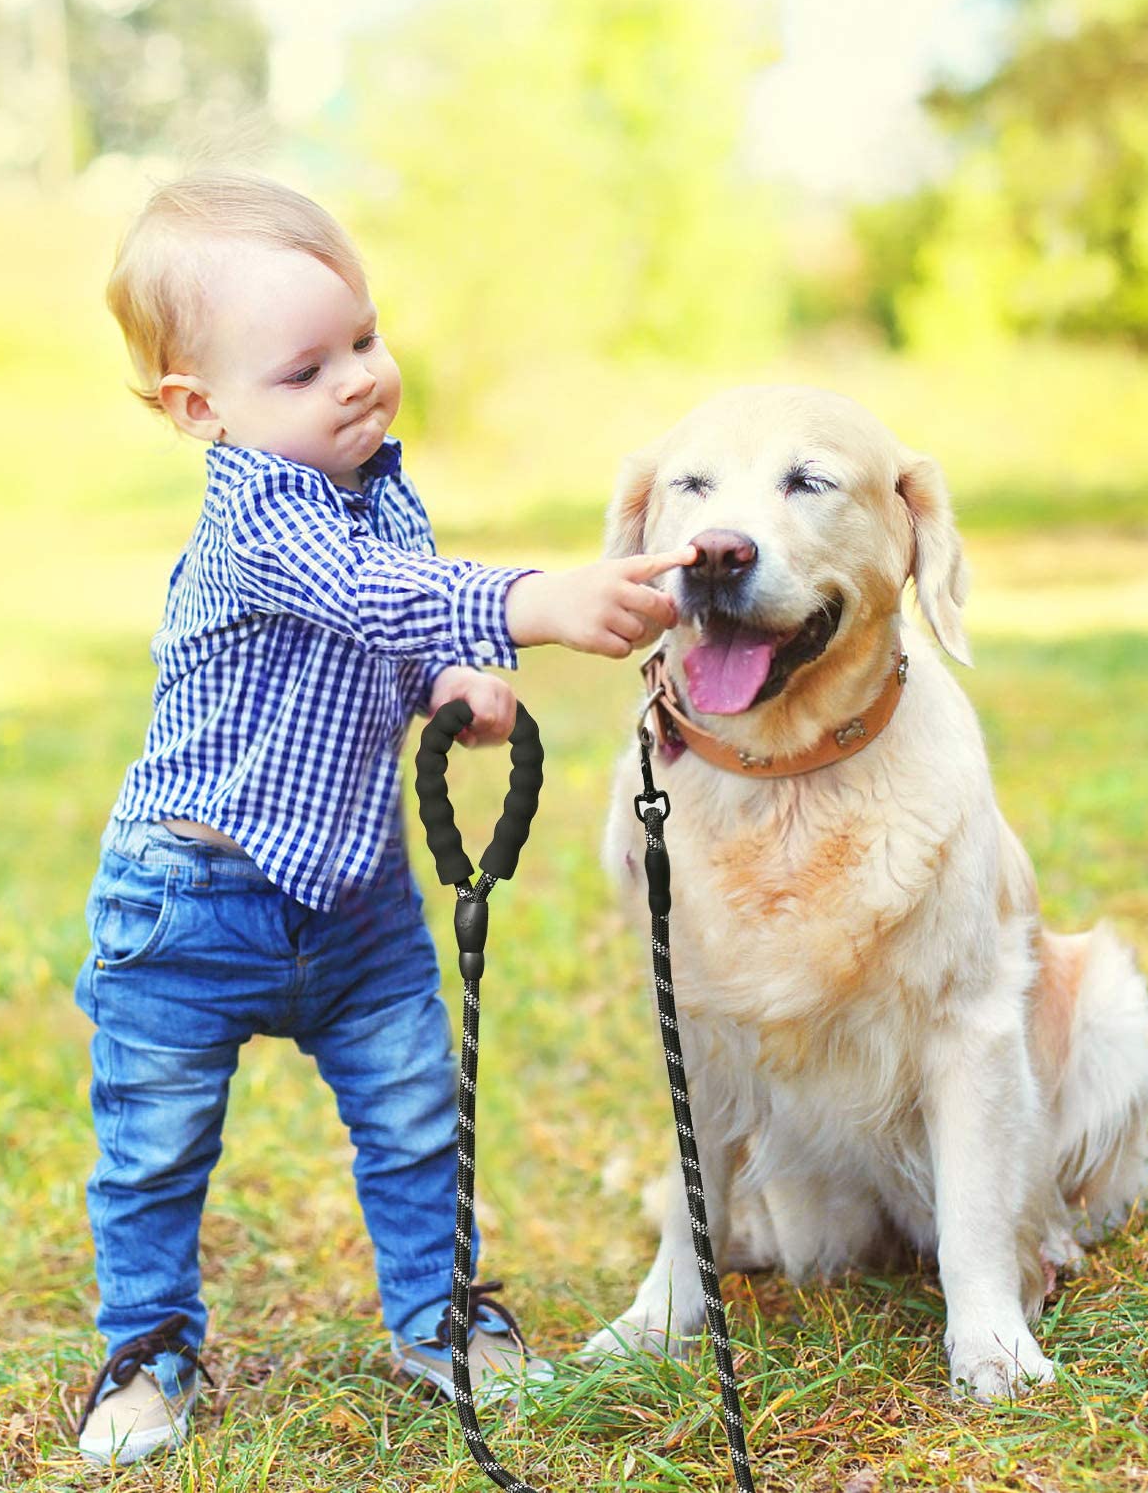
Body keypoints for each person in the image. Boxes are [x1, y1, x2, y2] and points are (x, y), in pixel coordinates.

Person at [73, 169, 694, 1465]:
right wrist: (537, 600)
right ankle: (147, 1349)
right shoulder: (259, 514)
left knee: (418, 1116)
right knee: (153, 1149)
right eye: (306, 369)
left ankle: (439, 1317)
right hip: (191, 903)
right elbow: (368, 593)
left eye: (363, 337)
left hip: (354, 902)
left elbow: (388, 622)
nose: (358, 377)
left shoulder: (379, 492)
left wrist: (452, 681)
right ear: (204, 410)